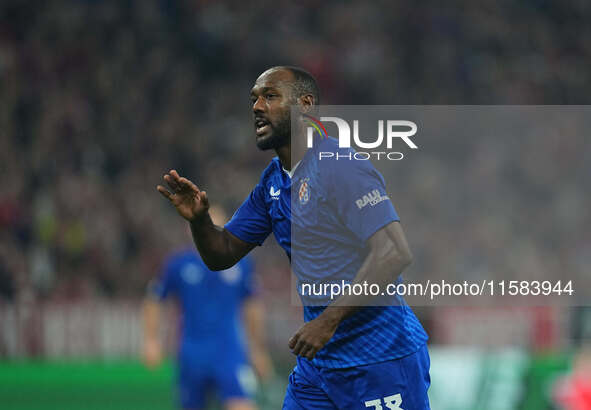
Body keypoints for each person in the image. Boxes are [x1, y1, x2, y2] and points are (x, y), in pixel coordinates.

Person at [157, 66, 430, 409]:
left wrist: (327, 322)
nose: (256, 107)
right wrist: (199, 221)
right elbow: (221, 254)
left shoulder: (339, 165)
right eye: (253, 99)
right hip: (318, 369)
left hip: (380, 358)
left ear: (304, 105)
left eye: (270, 97)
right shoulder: (273, 182)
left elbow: (394, 252)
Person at [142, 206, 273, 410]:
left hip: (229, 351)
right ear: (192, 229)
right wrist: (151, 340)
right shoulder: (178, 264)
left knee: (241, 405)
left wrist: (257, 349)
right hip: (191, 352)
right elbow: (154, 299)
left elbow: (252, 306)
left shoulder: (240, 263)